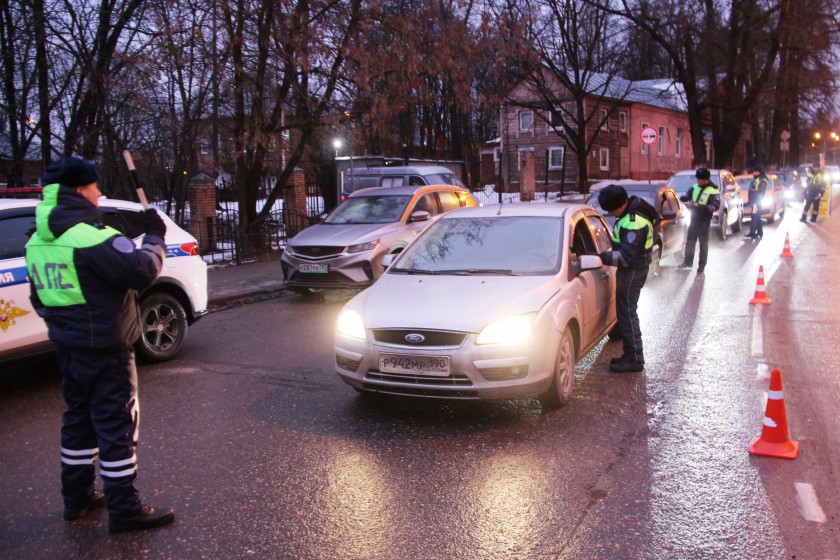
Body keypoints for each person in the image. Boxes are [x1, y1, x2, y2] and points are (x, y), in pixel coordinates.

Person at [24, 157, 176, 533]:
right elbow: (142, 271)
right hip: (107, 350)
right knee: (116, 425)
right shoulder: (89, 236)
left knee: (78, 422)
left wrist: (64, 326)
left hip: (69, 349)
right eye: (96, 187)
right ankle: (125, 509)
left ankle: (76, 500)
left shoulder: (35, 242)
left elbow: (39, 299)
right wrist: (155, 236)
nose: (100, 193)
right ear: (80, 191)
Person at [597, 184, 657, 373]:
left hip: (633, 270)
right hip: (632, 269)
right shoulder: (628, 215)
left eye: (611, 209)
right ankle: (630, 354)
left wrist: (603, 257)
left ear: (621, 205)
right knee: (626, 311)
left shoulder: (632, 222)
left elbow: (625, 256)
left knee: (628, 313)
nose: (610, 213)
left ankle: (634, 358)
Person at [679, 168, 720, 273]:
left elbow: (715, 206)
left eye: (700, 180)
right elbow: (686, 197)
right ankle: (687, 262)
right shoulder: (694, 187)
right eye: (698, 179)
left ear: (706, 180)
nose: (698, 181)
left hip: (705, 220)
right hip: (694, 218)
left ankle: (701, 265)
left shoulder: (713, 190)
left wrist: (700, 206)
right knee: (690, 241)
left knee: (703, 243)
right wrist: (685, 201)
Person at [744, 166, 768, 239]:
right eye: (754, 171)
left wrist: (756, 203)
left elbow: (761, 192)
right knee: (757, 217)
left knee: (754, 217)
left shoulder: (762, 180)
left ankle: (752, 233)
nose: (754, 173)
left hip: (756, 202)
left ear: (759, 172)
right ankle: (760, 232)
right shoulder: (756, 179)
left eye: (755, 171)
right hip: (753, 201)